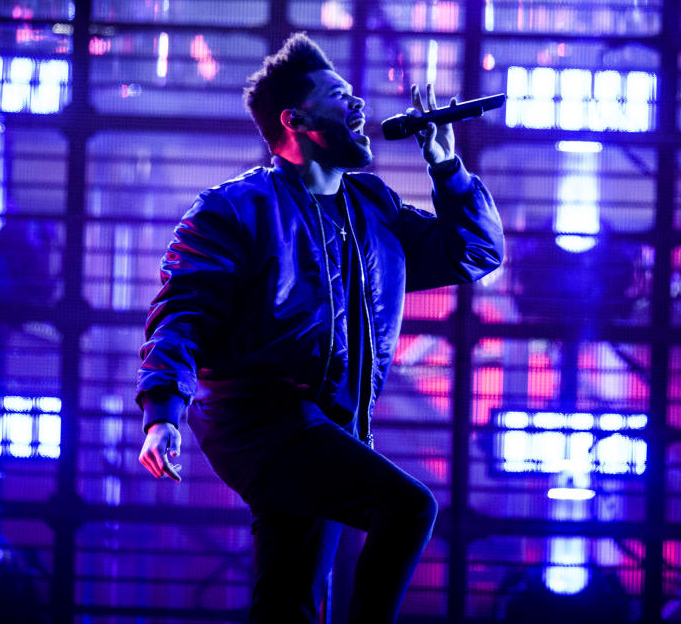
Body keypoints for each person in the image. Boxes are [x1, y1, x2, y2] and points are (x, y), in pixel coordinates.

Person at [137, 32, 504, 624]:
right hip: (260, 421)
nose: (360, 106)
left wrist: (445, 163)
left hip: (333, 428)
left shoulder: (373, 208)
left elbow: (474, 252)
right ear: (297, 119)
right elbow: (183, 313)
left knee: (291, 603)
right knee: (407, 509)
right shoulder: (235, 209)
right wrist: (161, 412)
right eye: (341, 96)